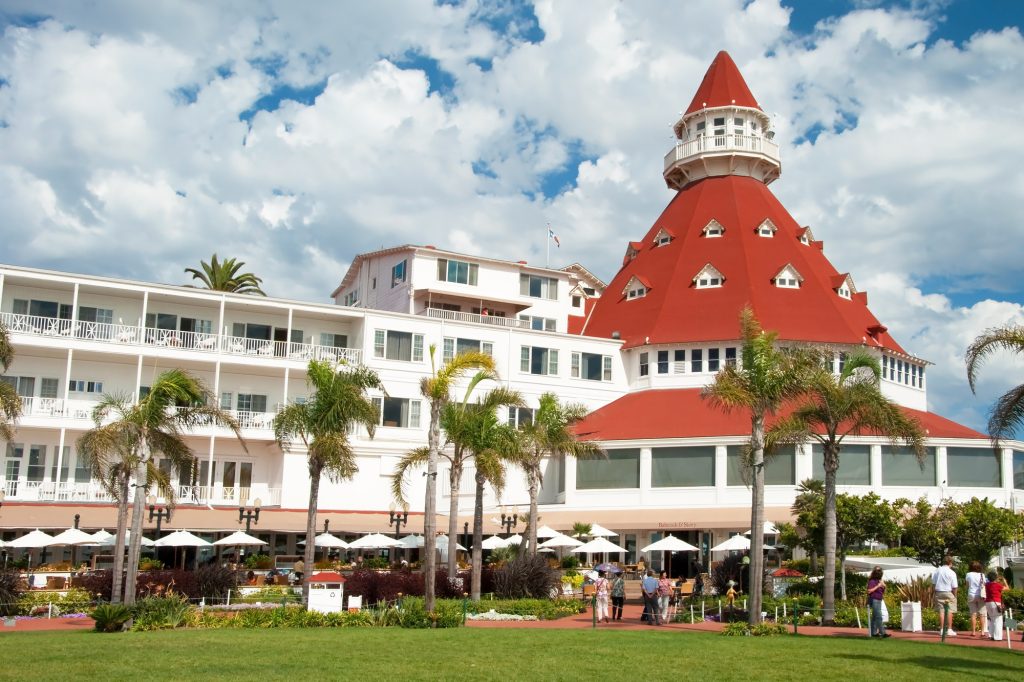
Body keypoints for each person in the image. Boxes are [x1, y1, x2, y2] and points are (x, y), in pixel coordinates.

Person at [932, 555, 958, 636]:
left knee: (941, 611)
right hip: (948, 591)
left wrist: (934, 592)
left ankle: (942, 629)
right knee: (950, 610)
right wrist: (955, 596)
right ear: (950, 562)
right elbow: (955, 586)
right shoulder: (951, 572)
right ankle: (949, 629)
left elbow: (933, 583)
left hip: (939, 591)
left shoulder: (937, 570)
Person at [965, 560, 987, 637]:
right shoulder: (982, 575)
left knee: (973, 614)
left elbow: (967, 586)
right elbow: (984, 585)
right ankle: (982, 632)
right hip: (981, 595)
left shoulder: (968, 574)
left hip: (971, 594)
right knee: (982, 614)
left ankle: (973, 631)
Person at [867, 566, 890, 638]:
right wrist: (878, 586)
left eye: (880, 570)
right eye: (877, 570)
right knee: (879, 617)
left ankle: (873, 633)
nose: (879, 572)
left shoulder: (880, 581)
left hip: (879, 600)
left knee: (874, 617)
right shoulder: (872, 581)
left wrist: (884, 586)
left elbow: (883, 592)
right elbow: (869, 591)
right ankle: (882, 632)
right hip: (874, 599)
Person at [984, 570, 1005, 641]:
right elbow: (1007, 589)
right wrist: (1004, 581)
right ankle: (998, 637)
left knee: (992, 619)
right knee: (998, 620)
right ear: (995, 577)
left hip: (987, 603)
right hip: (996, 602)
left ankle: (992, 635)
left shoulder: (986, 585)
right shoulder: (998, 585)